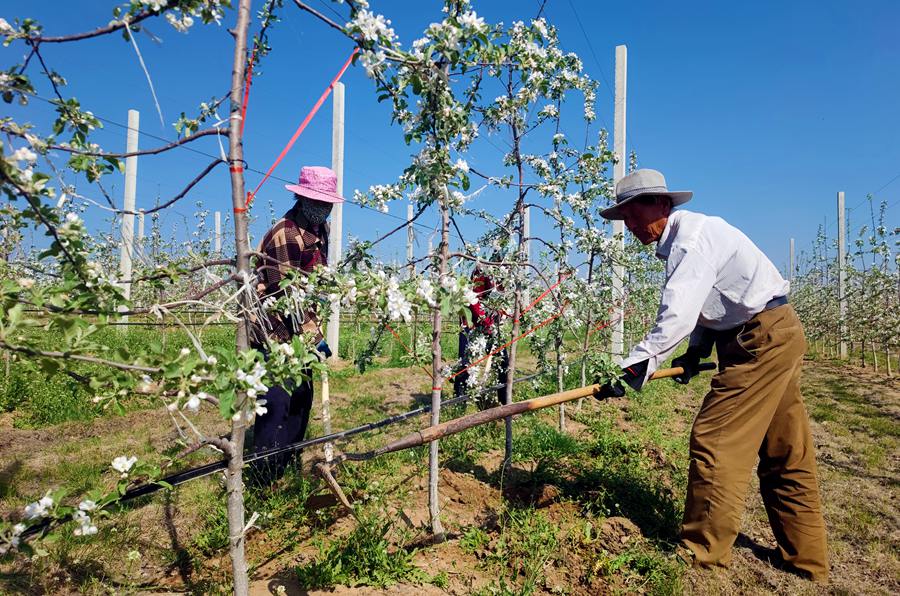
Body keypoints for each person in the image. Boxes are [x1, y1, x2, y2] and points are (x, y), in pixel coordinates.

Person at [596, 168, 828, 582]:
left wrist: (631, 369)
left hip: (761, 340)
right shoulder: (690, 237)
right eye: (623, 217)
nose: (629, 225)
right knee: (784, 451)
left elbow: (677, 316)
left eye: (633, 213)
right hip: (770, 331)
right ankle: (808, 562)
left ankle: (701, 555)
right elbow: (707, 307)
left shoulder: (690, 241)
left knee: (716, 439)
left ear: (662, 205)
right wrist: (697, 351)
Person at [250, 165, 343, 483]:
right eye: (317, 202)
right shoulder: (285, 235)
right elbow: (286, 293)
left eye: (327, 203)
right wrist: (314, 336)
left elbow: (313, 281)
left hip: (301, 328)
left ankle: (285, 462)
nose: (323, 208)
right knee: (277, 401)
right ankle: (263, 475)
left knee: (302, 397)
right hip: (272, 331)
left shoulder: (321, 230)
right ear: (302, 199)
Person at [453, 267, 508, 407]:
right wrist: (488, 322)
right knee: (465, 362)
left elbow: (500, 301)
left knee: (503, 361)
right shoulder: (482, 271)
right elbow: (474, 301)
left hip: (490, 324)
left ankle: (505, 400)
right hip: (471, 323)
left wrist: (503, 314)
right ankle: (460, 402)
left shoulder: (504, 276)